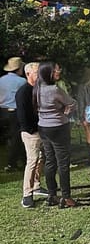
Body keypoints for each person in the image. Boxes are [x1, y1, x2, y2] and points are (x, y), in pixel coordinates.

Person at [34, 61, 78, 208]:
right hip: (58, 127)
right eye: (57, 69)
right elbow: (71, 102)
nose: (59, 71)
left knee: (50, 161)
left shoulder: (37, 88)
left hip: (43, 127)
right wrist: (66, 110)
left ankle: (52, 195)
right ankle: (66, 197)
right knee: (63, 163)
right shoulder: (54, 89)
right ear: (50, 73)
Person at [16, 62, 48, 208]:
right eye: (37, 73)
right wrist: (32, 130)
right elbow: (23, 115)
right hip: (31, 132)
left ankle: (36, 185)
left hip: (41, 129)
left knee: (41, 158)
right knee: (32, 160)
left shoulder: (38, 88)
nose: (39, 76)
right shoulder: (23, 92)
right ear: (28, 74)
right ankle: (27, 194)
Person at [0, 56, 27, 172]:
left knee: (13, 136)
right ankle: (12, 163)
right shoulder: (21, 81)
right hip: (15, 111)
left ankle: (22, 159)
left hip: (3, 111)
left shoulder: (1, 80)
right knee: (17, 137)